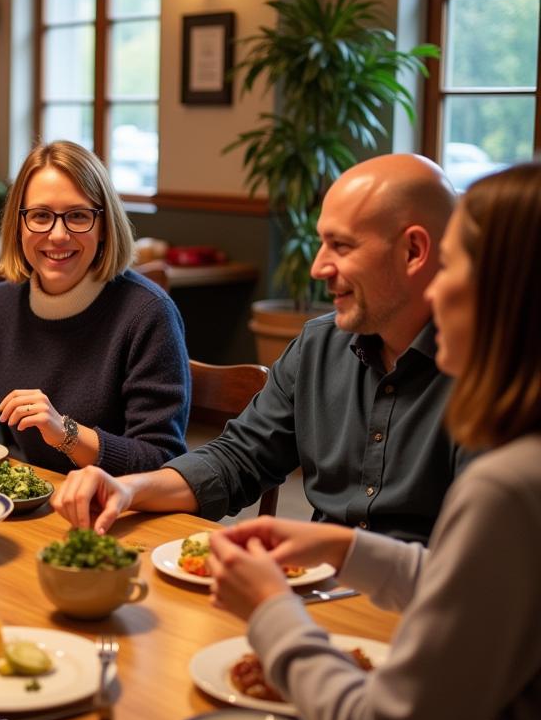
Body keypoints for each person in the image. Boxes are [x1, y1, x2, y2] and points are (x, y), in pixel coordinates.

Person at [206, 163, 541, 720]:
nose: (439, 288)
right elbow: (480, 590)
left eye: (455, 266)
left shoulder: (510, 483)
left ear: (507, 297)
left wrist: (271, 613)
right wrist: (344, 547)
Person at [55, 153, 466, 542]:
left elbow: (493, 563)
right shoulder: (318, 347)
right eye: (321, 243)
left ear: (413, 251)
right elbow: (237, 459)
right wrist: (128, 489)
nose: (317, 267)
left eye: (341, 246)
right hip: (317, 587)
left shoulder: (498, 375)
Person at [0, 140, 190, 474]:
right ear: (18, 224)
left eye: (78, 216)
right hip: (40, 501)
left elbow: (160, 459)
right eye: (40, 216)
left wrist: (65, 433)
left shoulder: (147, 313)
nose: (57, 235)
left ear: (104, 226)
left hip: (122, 513)